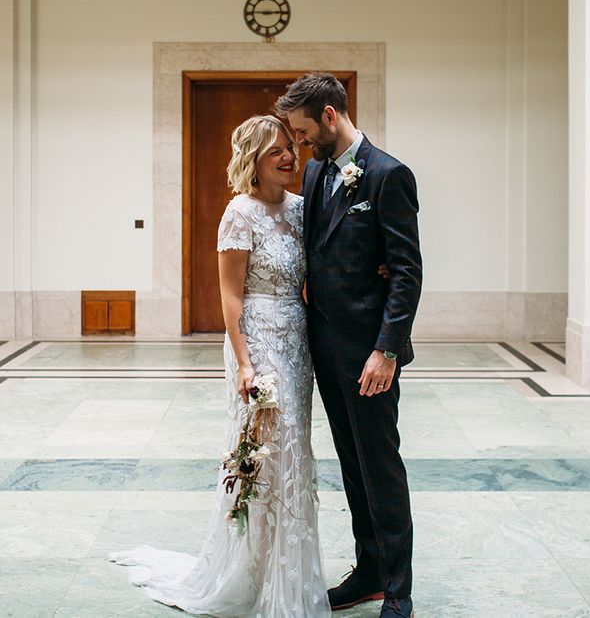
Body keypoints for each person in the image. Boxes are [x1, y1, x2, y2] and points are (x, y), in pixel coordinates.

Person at [112, 115, 331, 617]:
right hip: (257, 341)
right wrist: (245, 365)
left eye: (289, 150)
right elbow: (230, 297)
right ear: (253, 160)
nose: (288, 157)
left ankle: (289, 577)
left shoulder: (301, 210)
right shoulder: (239, 213)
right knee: (264, 454)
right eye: (276, 150)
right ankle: (247, 572)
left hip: (297, 342)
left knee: (295, 454)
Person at [275, 73, 422, 618]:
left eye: (304, 130)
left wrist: (387, 350)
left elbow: (406, 272)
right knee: (352, 465)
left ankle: (399, 589)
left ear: (331, 117)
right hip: (326, 349)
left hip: (370, 356)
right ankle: (368, 572)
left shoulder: (389, 175)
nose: (301, 142)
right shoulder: (316, 173)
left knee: (381, 466)